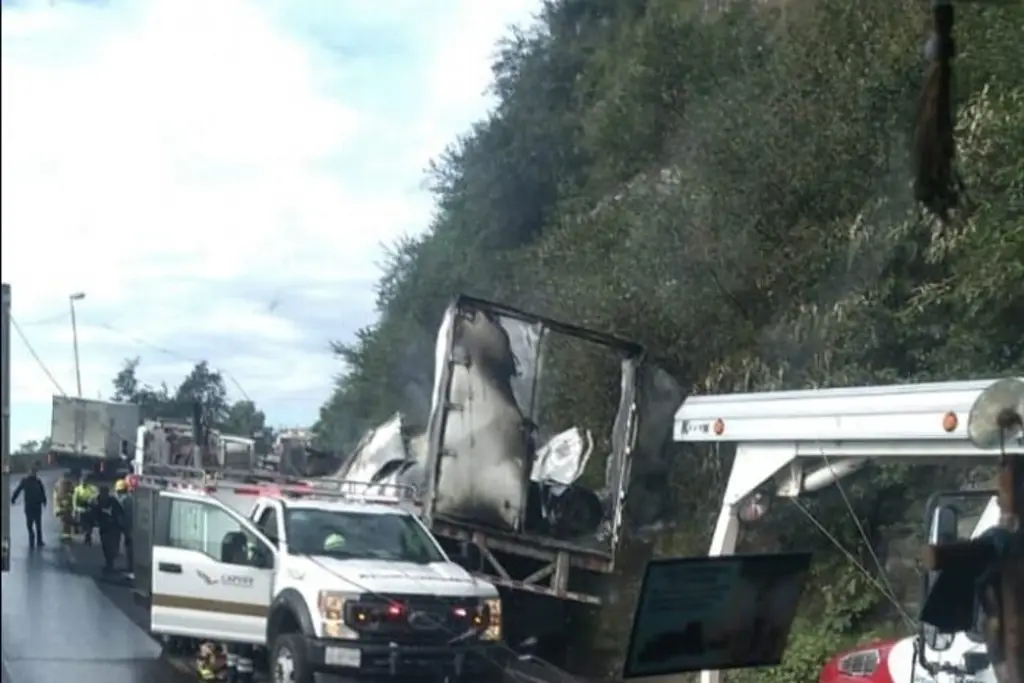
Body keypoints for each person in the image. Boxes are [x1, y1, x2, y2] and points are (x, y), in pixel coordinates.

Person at [12, 463, 47, 548]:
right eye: (32, 472)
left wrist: (44, 501)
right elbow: (18, 490)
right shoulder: (25, 481)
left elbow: (42, 492)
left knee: (38, 524)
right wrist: (13, 498)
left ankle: (39, 541)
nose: (33, 473)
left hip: (37, 506)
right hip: (29, 506)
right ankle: (32, 539)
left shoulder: (38, 481)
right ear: (29, 472)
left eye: (35, 472)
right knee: (30, 525)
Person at [92, 485, 125, 573]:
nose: (104, 495)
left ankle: (111, 563)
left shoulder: (113, 501)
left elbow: (120, 513)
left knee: (113, 546)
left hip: (114, 527)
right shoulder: (97, 502)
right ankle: (109, 564)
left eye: (105, 493)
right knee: (105, 547)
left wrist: (121, 525)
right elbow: (93, 513)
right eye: (102, 493)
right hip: (104, 528)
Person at [114, 478, 134, 575]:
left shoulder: (124, 500)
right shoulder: (130, 498)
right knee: (127, 547)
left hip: (124, 527)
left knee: (126, 547)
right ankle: (129, 567)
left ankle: (129, 568)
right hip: (127, 527)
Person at [72, 473, 99, 544]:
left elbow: (97, 497)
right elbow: (75, 502)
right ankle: (86, 532)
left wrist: (92, 499)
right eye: (82, 481)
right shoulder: (77, 489)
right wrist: (77, 510)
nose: (84, 482)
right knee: (83, 521)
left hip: (90, 507)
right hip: (81, 508)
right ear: (80, 481)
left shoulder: (92, 488)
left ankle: (88, 533)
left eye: (85, 481)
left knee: (91, 521)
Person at [53, 472, 76, 542]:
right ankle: (66, 534)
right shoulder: (68, 484)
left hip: (62, 504)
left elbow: (56, 495)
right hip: (65, 504)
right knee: (66, 519)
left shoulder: (58, 483)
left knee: (65, 519)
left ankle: (66, 534)